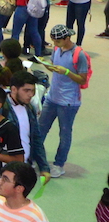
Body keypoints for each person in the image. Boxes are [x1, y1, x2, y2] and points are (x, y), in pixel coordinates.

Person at [38, 23, 89, 178]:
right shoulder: (56, 50)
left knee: (64, 133)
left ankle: (59, 164)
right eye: (53, 41)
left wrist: (67, 72)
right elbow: (55, 67)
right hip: (52, 97)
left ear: (67, 38)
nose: (55, 44)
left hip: (68, 102)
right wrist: (47, 65)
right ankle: (36, 157)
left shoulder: (79, 54)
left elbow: (82, 79)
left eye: (58, 41)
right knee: (40, 129)